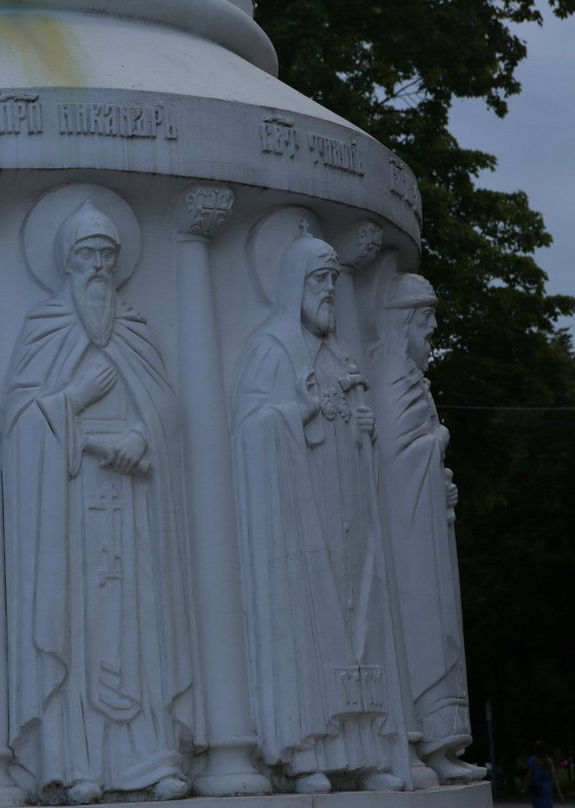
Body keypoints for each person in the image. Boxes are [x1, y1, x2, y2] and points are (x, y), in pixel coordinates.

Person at [2, 200, 198, 804]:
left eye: (107, 257)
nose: (97, 269)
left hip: (132, 502)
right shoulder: (45, 329)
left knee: (140, 623)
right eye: (86, 256)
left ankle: (152, 759)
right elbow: (17, 422)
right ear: (66, 262)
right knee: (76, 628)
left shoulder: (134, 328)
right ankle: (78, 764)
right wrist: (75, 404)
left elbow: (166, 408)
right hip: (68, 507)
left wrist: (143, 436)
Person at [231, 229, 407, 793]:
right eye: (320, 280)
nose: (329, 290)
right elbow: (251, 427)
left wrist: (363, 431)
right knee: (309, 625)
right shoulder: (270, 348)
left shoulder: (338, 353)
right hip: (297, 514)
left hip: (346, 508)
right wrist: (297, 409)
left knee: (360, 624)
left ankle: (364, 753)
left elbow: (354, 420)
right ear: (293, 286)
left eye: (334, 280)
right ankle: (307, 753)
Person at [372, 273, 485, 783]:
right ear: (403, 324)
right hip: (407, 537)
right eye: (426, 321)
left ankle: (444, 743)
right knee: (422, 627)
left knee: (441, 629)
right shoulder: (391, 375)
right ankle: (424, 739)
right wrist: (437, 439)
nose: (433, 331)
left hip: (425, 528)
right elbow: (396, 455)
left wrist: (443, 485)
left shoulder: (413, 380)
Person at [527, 741, 565, 808]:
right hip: (547, 788)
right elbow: (554, 778)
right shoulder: (549, 761)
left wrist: (526, 787)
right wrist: (560, 794)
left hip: (536, 788)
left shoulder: (532, 760)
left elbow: (529, 776)